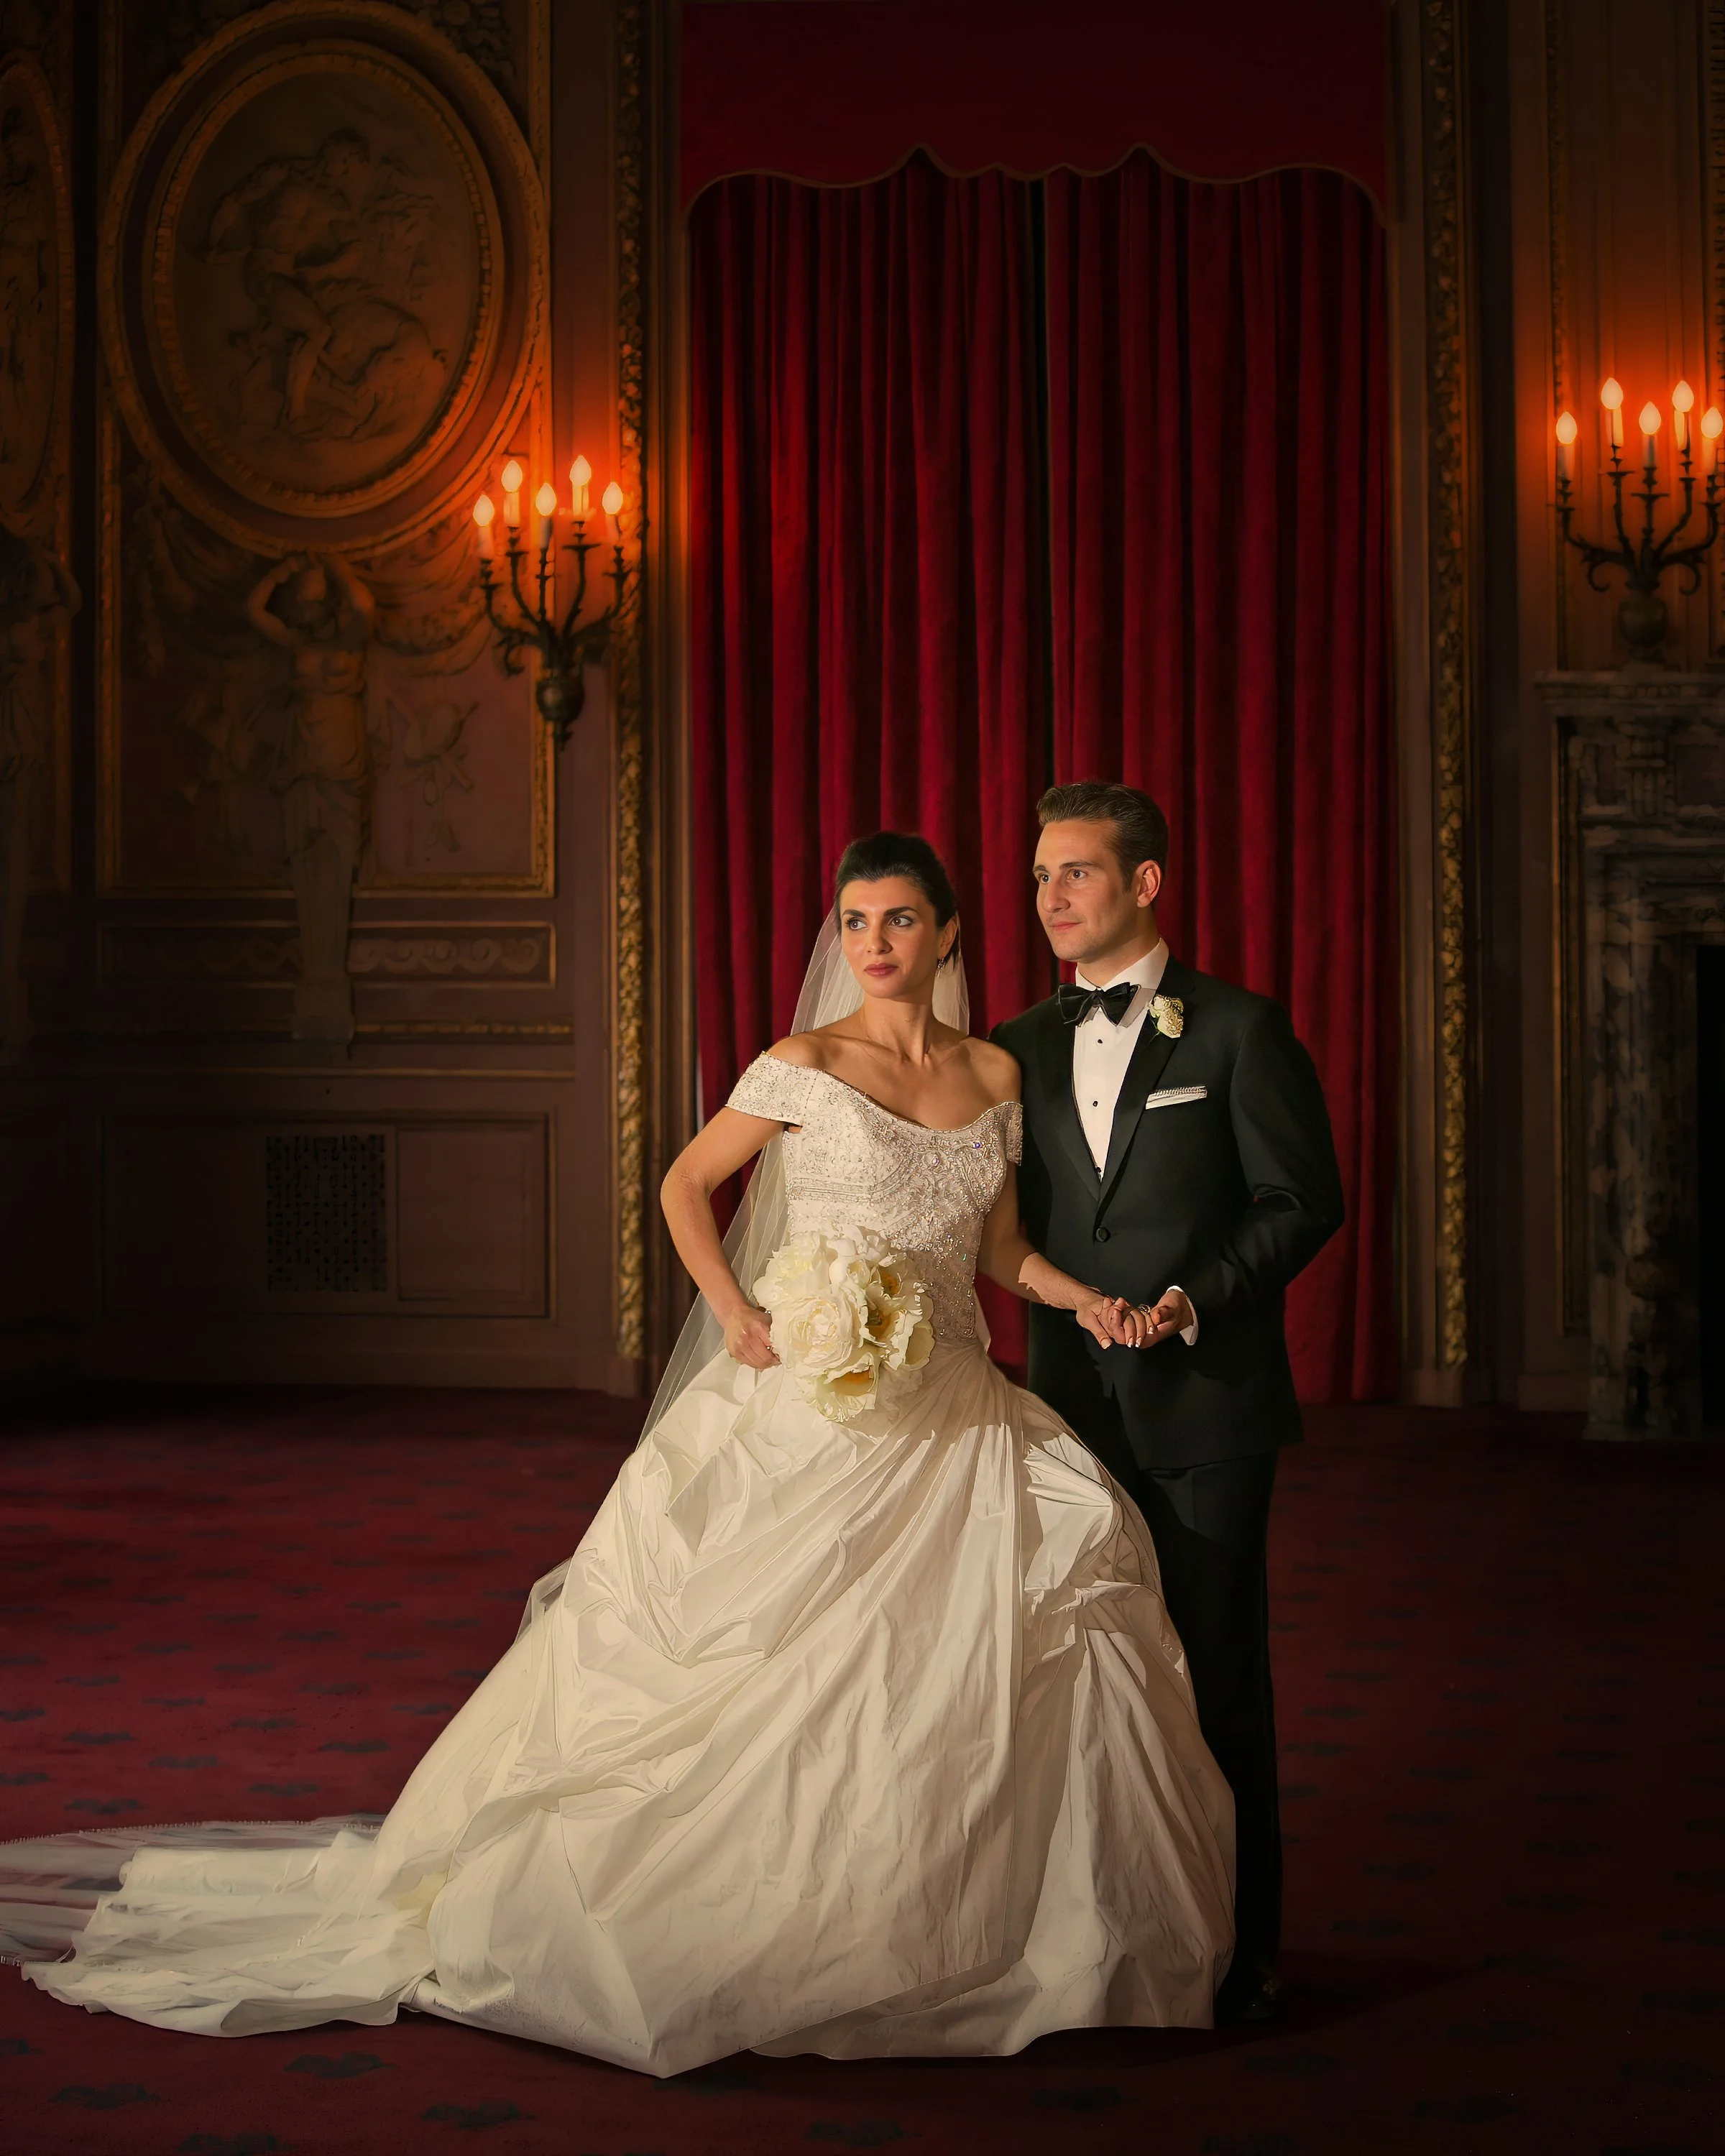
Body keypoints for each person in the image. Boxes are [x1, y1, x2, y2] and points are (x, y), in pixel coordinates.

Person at [0, 830, 1234, 2076]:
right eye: (856, 921)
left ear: (949, 933)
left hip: (954, 1404)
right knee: (759, 1673)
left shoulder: (994, 1078)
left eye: (902, 920)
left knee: (977, 1660)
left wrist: (1076, 1300)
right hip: (812, 1408)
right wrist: (746, 1317)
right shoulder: (802, 1064)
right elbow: (685, 1185)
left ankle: (940, 1928)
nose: (874, 943)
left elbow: (997, 1247)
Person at [992, 781, 1344, 2022]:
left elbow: (1303, 1199)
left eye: (1076, 873)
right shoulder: (1016, 1043)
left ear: (1146, 884)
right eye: (1039, 878)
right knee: (1078, 1678)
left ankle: (1244, 1953)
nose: (1050, 899)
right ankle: (1102, 1940)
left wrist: (1193, 1300)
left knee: (1213, 1673)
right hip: (1065, 1412)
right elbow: (999, 1222)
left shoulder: (1240, 1030)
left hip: (1206, 1405)